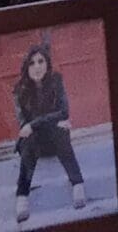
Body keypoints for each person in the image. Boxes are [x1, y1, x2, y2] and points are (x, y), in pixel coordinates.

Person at [10, 40, 91, 222]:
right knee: (30, 138)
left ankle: (77, 184)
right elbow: (24, 125)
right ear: (26, 67)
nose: (37, 67)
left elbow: (64, 111)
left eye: (41, 61)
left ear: (47, 64)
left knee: (59, 131)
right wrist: (50, 122)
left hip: (56, 142)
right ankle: (22, 196)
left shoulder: (56, 80)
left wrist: (36, 124)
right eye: (32, 63)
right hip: (35, 146)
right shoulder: (19, 91)